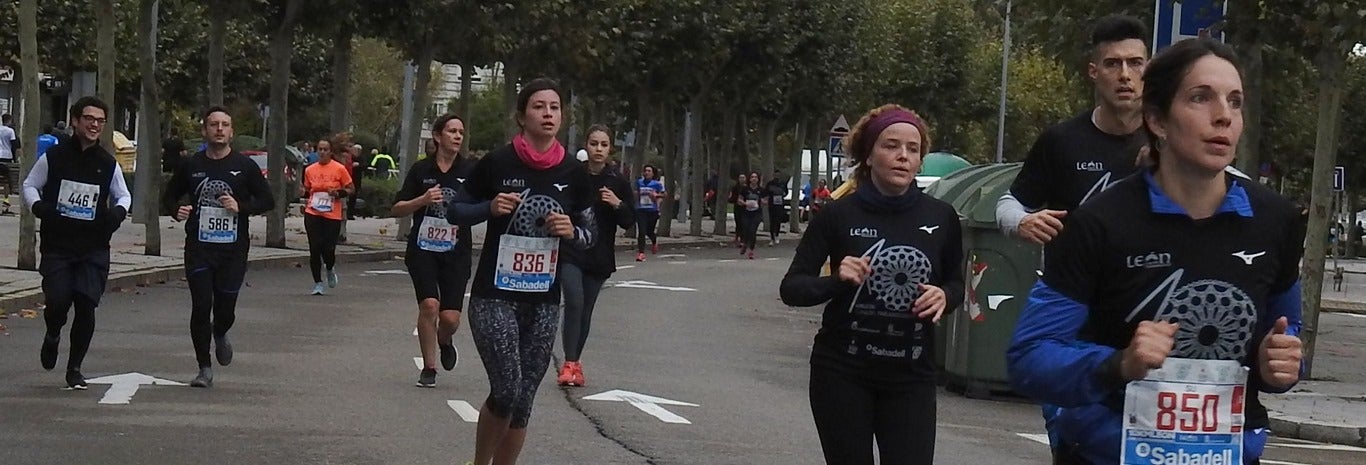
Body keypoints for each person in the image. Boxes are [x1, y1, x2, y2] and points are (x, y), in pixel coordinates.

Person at [1006, 38, 1305, 465]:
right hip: (1108, 453)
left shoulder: (1275, 222)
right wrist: (1120, 363)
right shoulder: (1100, 222)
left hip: (1226, 454)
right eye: (1201, 98)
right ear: (1158, 121)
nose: (1223, 116)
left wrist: (1278, 363)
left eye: (1235, 102)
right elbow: (1030, 356)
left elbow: (1285, 334)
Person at [780, 104, 963, 465]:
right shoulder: (837, 214)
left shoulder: (941, 217)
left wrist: (945, 296)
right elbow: (792, 288)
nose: (902, 157)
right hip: (843, 372)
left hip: (911, 375)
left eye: (913, 150)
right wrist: (836, 280)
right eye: (891, 146)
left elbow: (956, 282)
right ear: (867, 154)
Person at [448, 78, 597, 465]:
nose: (548, 114)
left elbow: (589, 235)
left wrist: (571, 231)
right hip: (494, 295)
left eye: (554, 107)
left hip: (543, 300)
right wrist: (489, 207)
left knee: (524, 400)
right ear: (521, 116)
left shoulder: (573, 171)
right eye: (538, 107)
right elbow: (455, 210)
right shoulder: (497, 163)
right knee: (508, 389)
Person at [996, 15, 1150, 245]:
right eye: (1112, 63)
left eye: (1135, 63)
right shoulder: (1061, 141)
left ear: (1149, 69)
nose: (1125, 75)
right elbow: (1010, 202)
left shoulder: (1169, 141)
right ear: (1093, 72)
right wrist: (1020, 221)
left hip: (1147, 278)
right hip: (1071, 279)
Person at [162, 106, 276, 388]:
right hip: (199, 247)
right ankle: (204, 368)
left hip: (233, 250)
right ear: (205, 130)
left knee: (225, 307)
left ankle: (221, 331)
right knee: (201, 305)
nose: (220, 129)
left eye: (225, 124)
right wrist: (177, 210)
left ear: (231, 131)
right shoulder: (192, 165)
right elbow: (168, 196)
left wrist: (242, 207)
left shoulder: (245, 166)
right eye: (214, 124)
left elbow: (268, 200)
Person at [24, 97, 132, 389]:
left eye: (100, 120)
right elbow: (30, 185)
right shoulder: (55, 157)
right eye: (89, 118)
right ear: (75, 121)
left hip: (93, 246)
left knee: (86, 304)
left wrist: (117, 215)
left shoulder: (107, 163)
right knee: (58, 300)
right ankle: (53, 332)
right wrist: (39, 208)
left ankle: (75, 368)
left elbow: (123, 196)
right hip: (58, 245)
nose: (95, 124)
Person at [391, 113, 477, 388]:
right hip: (423, 248)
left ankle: (444, 338)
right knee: (429, 305)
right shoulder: (421, 171)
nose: (457, 137)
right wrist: (423, 199)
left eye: (460, 133)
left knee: (449, 318)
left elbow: (481, 205)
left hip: (456, 250)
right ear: (438, 137)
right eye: (452, 131)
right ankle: (429, 367)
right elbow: (397, 207)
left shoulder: (469, 171)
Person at [558, 124, 634, 387]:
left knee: (586, 311)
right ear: (585, 146)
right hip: (571, 250)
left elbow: (629, 221)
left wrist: (617, 203)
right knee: (574, 302)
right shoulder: (572, 175)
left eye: (603, 145)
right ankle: (567, 363)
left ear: (609, 148)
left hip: (600, 255)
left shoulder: (617, 181)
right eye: (593, 144)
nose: (598, 149)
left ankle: (576, 361)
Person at [300, 137, 354, 296]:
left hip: (332, 214)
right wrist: (303, 193)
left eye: (325, 150)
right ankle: (318, 283)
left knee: (328, 249)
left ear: (330, 152)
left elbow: (351, 189)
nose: (322, 152)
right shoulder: (310, 170)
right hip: (313, 212)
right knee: (315, 248)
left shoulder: (339, 169)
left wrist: (338, 193)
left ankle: (329, 268)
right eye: (320, 150)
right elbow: (307, 189)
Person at [634, 164, 665, 262]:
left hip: (652, 210)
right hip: (641, 210)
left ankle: (654, 241)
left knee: (649, 231)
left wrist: (656, 195)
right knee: (642, 231)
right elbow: (636, 193)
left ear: (653, 173)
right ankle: (641, 253)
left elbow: (664, 194)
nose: (646, 173)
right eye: (645, 171)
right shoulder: (639, 182)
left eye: (649, 171)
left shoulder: (657, 184)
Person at [736, 172, 764, 259]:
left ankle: (751, 250)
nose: (754, 179)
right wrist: (745, 203)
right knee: (746, 229)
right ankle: (745, 243)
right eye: (752, 177)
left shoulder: (761, 190)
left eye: (756, 177)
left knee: (752, 230)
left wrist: (763, 202)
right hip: (746, 212)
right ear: (749, 179)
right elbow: (739, 200)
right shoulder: (745, 189)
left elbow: (765, 200)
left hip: (757, 213)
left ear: (758, 179)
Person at [765, 170, 789, 245]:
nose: (777, 176)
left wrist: (783, 195)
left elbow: (786, 192)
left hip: (780, 205)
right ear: (774, 175)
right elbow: (766, 192)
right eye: (776, 175)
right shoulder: (770, 184)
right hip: (772, 205)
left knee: (778, 221)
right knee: (772, 221)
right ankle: (772, 238)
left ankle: (777, 235)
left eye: (778, 175)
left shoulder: (782, 183)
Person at [728, 173, 748, 247]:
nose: (742, 179)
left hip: (745, 207)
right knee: (738, 222)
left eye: (743, 178)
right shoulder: (735, 187)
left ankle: (743, 238)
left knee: (743, 223)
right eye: (740, 178)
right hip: (737, 206)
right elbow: (732, 197)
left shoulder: (747, 188)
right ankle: (737, 237)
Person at [346, 143, 364, 219]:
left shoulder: (361, 158)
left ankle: (350, 213)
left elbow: (365, 166)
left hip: (357, 180)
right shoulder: (349, 157)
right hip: (349, 179)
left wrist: (359, 165)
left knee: (353, 197)